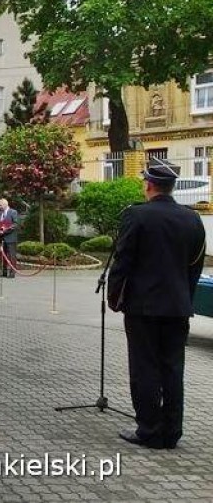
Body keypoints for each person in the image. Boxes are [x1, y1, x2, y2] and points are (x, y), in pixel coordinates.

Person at [108, 159, 205, 450]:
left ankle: (149, 429)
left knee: (144, 368)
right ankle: (172, 430)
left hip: (143, 308)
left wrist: (115, 298)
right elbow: (195, 265)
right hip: (178, 306)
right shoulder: (192, 219)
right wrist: (184, 296)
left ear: (149, 185)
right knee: (173, 368)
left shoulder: (137, 216)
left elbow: (122, 262)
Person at [0, 198, 20, 278]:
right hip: (1, 238)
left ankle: (12, 273)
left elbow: (16, 224)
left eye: (0, 205)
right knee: (2, 256)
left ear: (5, 204)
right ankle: (4, 272)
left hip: (11, 238)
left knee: (12, 256)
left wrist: (6, 229)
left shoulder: (13, 212)